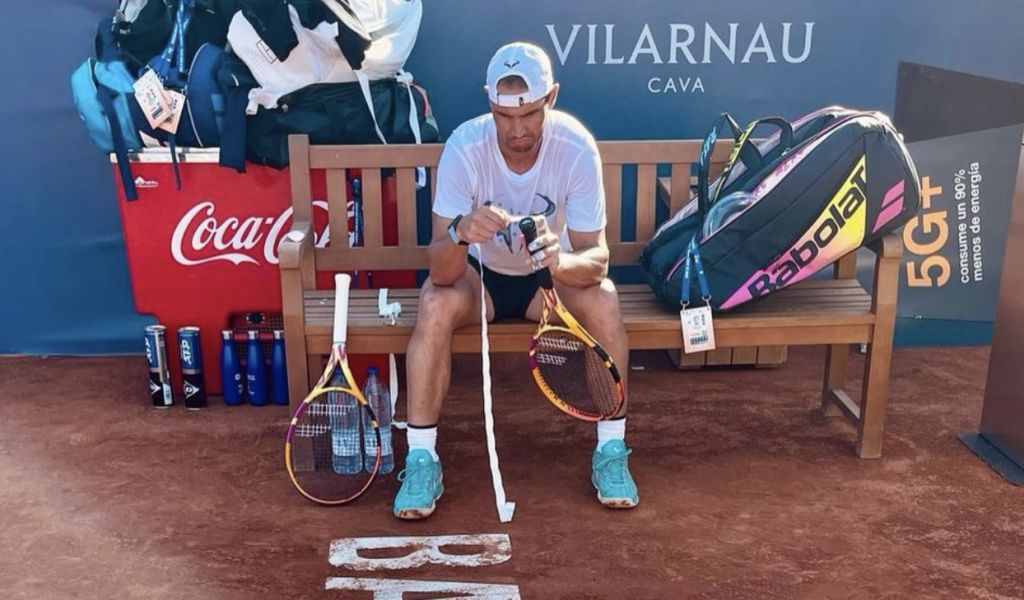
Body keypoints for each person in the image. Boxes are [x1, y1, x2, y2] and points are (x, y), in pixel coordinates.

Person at [392, 41, 637, 520]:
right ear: (490, 105)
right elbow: (441, 271)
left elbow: (598, 259)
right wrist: (461, 233)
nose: (518, 129)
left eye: (529, 113)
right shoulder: (466, 145)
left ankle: (611, 451)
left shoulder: (576, 146)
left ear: (551, 99)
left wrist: (557, 259)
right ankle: (421, 460)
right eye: (505, 116)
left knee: (604, 300)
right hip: (477, 281)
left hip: (544, 282)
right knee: (434, 303)